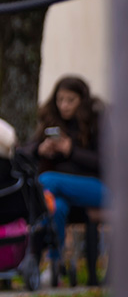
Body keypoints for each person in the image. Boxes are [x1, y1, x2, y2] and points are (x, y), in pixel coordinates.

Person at [24, 75, 109, 283]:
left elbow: (105, 163)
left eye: (70, 100)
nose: (64, 105)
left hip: (97, 188)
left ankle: (36, 251)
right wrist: (40, 149)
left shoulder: (96, 122)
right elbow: (25, 151)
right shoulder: (52, 121)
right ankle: (55, 266)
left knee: (46, 181)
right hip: (65, 195)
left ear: (82, 100)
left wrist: (71, 150)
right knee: (58, 207)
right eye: (60, 99)